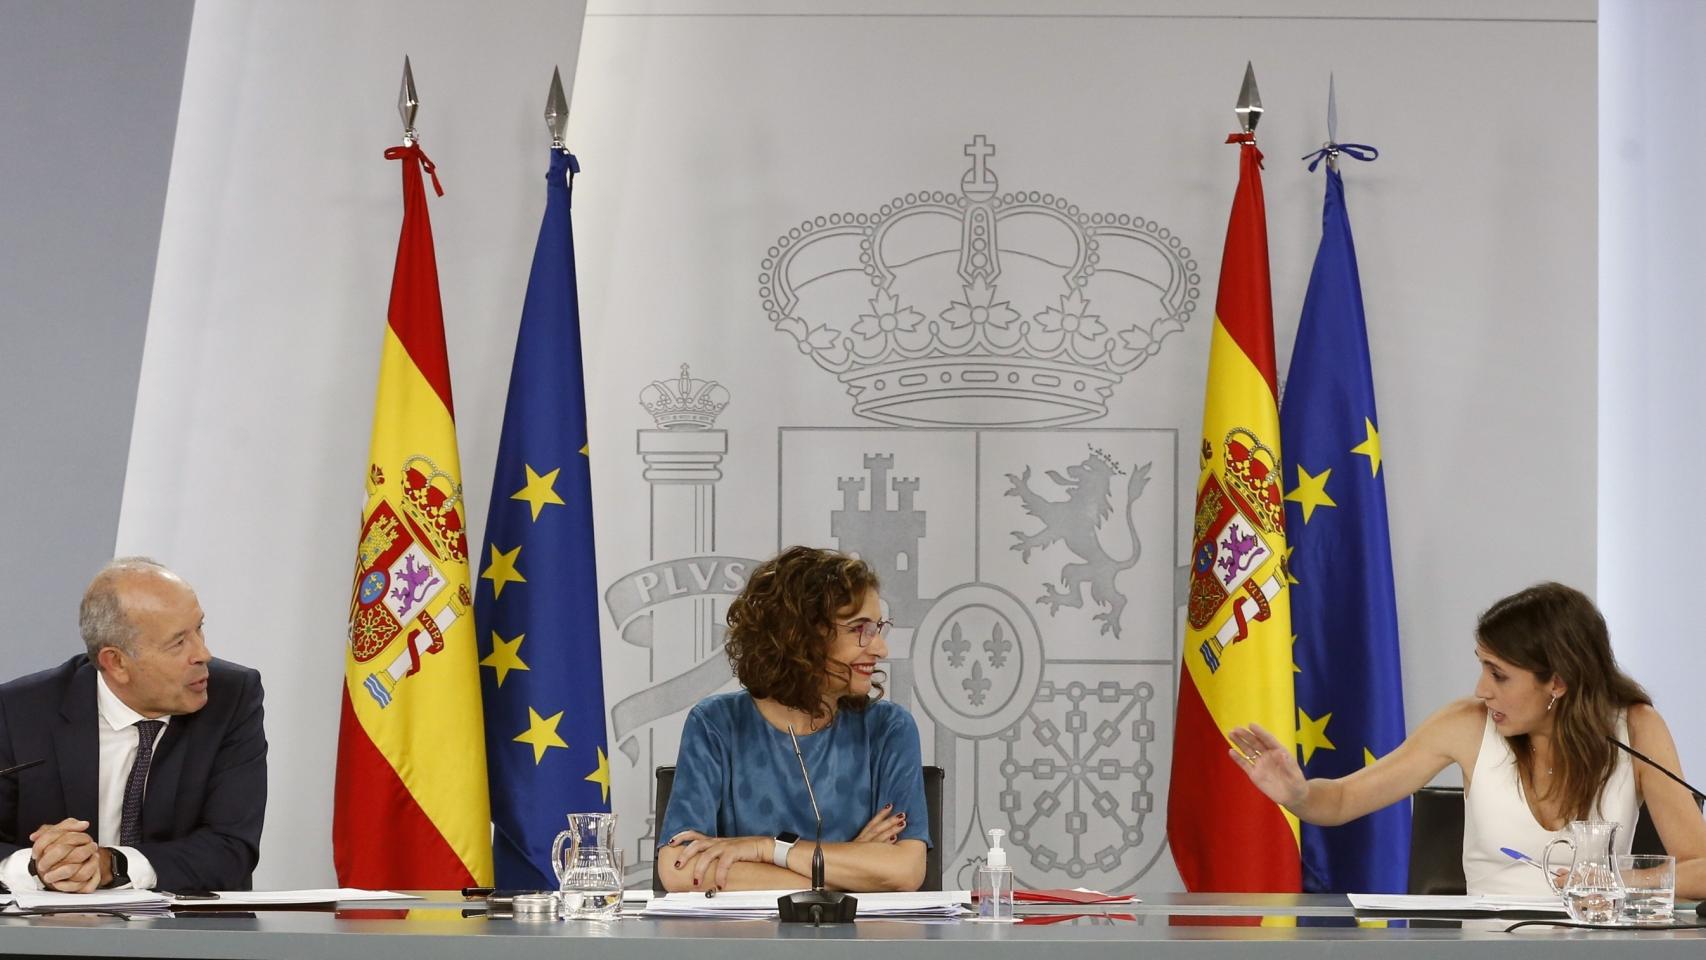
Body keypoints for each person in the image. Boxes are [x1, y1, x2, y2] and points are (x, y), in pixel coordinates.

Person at [1230, 581, 1706, 898]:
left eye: (1499, 675)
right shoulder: (1465, 724)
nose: (1482, 689)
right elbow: (1340, 802)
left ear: (1557, 682)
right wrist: (1299, 794)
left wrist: (1618, 881)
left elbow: (1702, 868)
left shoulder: (1636, 729)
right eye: (1482, 666)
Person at [657, 546, 929, 893]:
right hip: (742, 945)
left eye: (878, 628)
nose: (880, 649)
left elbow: (904, 870)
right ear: (800, 636)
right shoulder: (716, 724)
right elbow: (682, 870)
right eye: (860, 629)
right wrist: (844, 876)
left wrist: (767, 849)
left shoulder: (889, 729)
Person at [0, 557, 267, 893]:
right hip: (53, 936)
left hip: (190, 939)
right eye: (178, 642)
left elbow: (232, 850)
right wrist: (39, 866)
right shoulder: (19, 711)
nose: (204, 654)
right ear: (116, 663)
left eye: (199, 628)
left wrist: (112, 863)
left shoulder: (231, 698)